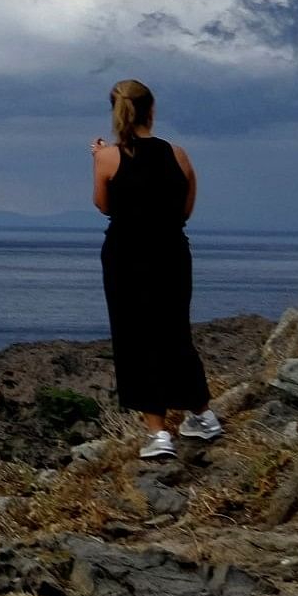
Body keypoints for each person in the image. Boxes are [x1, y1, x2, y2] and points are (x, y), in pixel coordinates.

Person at [92, 79, 221, 460]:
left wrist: (99, 159)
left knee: (135, 337)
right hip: (172, 253)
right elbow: (184, 209)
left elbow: (104, 206)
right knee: (174, 331)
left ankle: (158, 434)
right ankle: (202, 414)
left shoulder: (107, 158)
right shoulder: (179, 155)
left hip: (126, 254)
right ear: (152, 110)